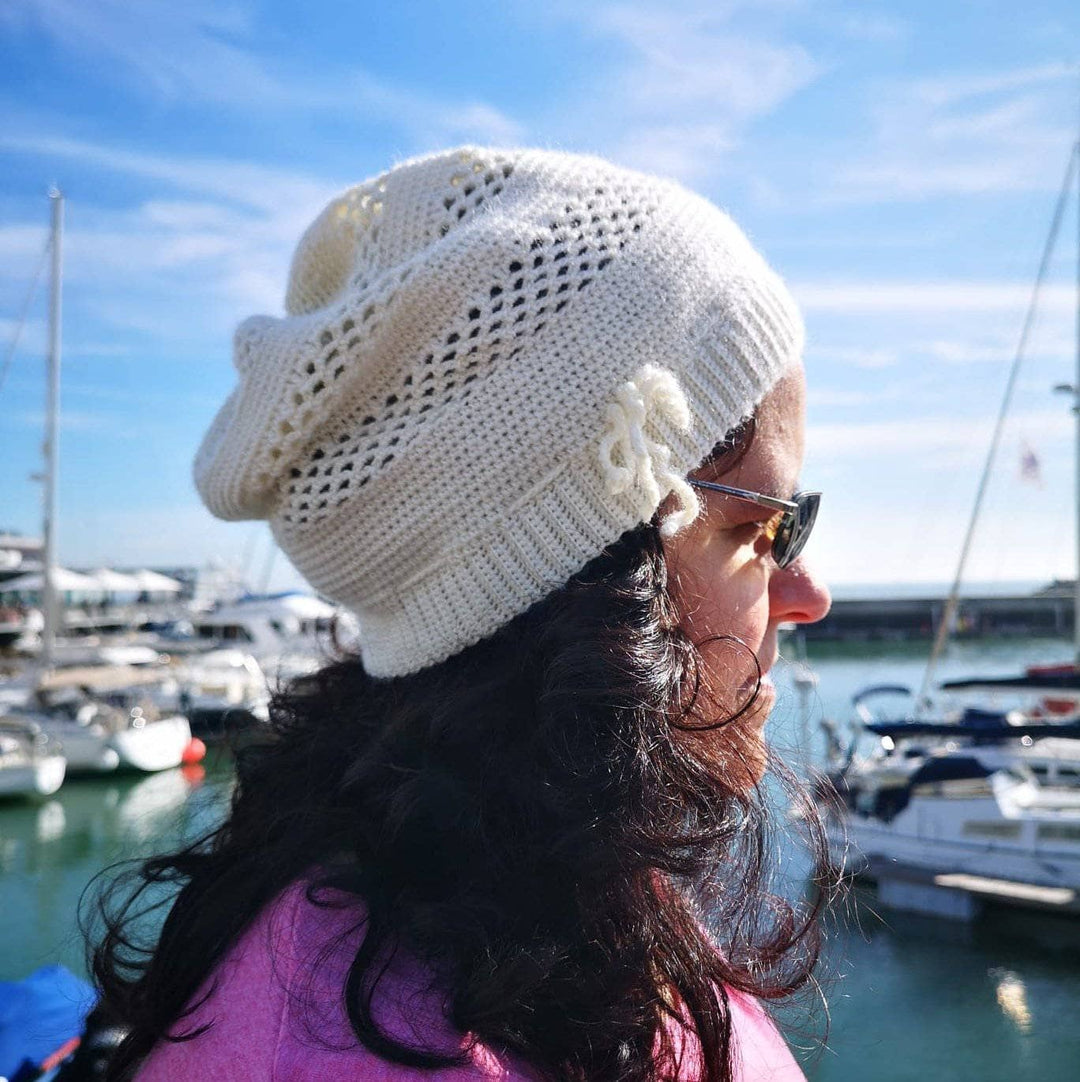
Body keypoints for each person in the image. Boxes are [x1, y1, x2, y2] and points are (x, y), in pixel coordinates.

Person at [90, 146, 835, 1082]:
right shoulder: (394, 1052)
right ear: (585, 577)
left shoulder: (541, 885)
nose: (811, 594)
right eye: (766, 526)